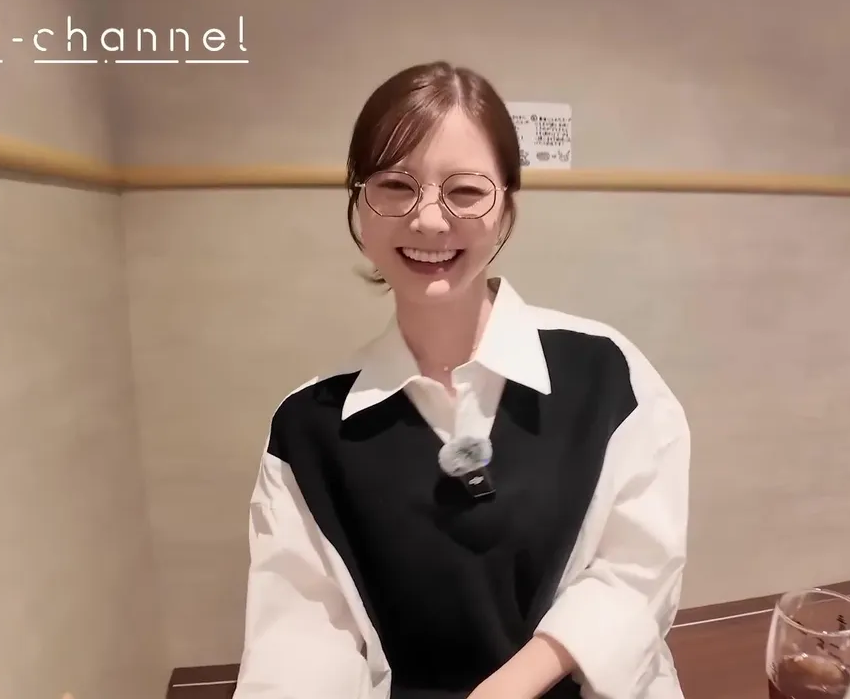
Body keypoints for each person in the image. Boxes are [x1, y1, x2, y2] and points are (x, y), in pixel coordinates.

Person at [233, 61, 691, 699]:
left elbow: (639, 569)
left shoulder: (607, 373)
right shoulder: (307, 429)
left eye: (466, 191)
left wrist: (509, 687)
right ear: (359, 204)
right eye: (396, 185)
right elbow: (301, 637)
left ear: (507, 209)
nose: (428, 220)